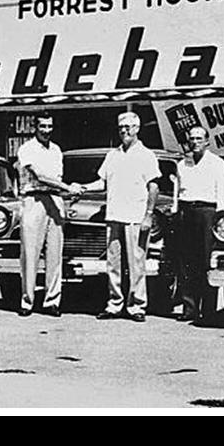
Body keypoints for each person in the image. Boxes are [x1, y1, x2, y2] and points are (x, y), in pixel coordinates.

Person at [74, 111, 160, 322]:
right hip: (114, 216)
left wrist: (148, 215)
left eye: (129, 127)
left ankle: (137, 306)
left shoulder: (146, 155)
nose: (124, 131)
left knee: (136, 264)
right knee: (113, 264)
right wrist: (83, 187)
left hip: (135, 217)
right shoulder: (112, 155)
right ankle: (114, 304)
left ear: (137, 128)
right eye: (121, 128)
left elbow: (154, 186)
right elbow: (102, 182)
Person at [15, 113, 74, 318]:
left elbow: (56, 177)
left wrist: (65, 192)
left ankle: (52, 301)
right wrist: (68, 188)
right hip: (34, 200)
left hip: (55, 200)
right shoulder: (26, 149)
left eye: (50, 126)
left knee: (55, 253)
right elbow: (39, 176)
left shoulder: (56, 150)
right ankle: (27, 301)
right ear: (35, 127)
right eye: (42, 126)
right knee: (30, 253)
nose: (46, 130)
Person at [174, 125, 224, 322]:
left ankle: (209, 310)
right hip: (186, 213)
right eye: (192, 138)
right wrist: (176, 212)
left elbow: (223, 194)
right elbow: (177, 193)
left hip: (208, 214)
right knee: (186, 262)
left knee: (206, 261)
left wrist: (220, 219)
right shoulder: (182, 165)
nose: (195, 142)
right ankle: (189, 307)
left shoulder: (217, 163)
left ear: (207, 141)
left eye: (199, 138)